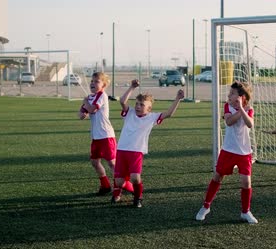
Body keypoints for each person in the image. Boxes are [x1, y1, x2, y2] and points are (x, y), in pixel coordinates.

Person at [111, 79, 185, 207]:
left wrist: (178, 98)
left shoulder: (152, 117)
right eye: (137, 104)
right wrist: (132, 87)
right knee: (119, 181)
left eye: (142, 105)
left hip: (136, 151)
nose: (138, 106)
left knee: (135, 177)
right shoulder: (130, 113)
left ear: (149, 108)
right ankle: (117, 191)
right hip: (122, 149)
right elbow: (122, 101)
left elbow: (169, 114)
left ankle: (138, 197)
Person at [195, 81, 258, 224]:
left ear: (242, 96)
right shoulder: (227, 106)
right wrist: (241, 110)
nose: (229, 95)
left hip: (244, 152)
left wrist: (242, 109)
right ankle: (206, 206)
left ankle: (245, 212)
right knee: (217, 177)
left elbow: (250, 124)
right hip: (228, 150)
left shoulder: (249, 109)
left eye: (232, 93)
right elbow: (229, 122)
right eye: (230, 93)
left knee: (246, 182)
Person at [79, 72, 133, 196]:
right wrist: (83, 113)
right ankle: (105, 185)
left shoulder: (102, 95)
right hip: (96, 137)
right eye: (92, 81)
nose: (92, 83)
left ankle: (127, 186)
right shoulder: (90, 97)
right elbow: (81, 114)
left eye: (96, 81)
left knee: (112, 163)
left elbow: (91, 109)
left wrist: (85, 103)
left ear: (104, 85)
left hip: (106, 136)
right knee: (94, 162)